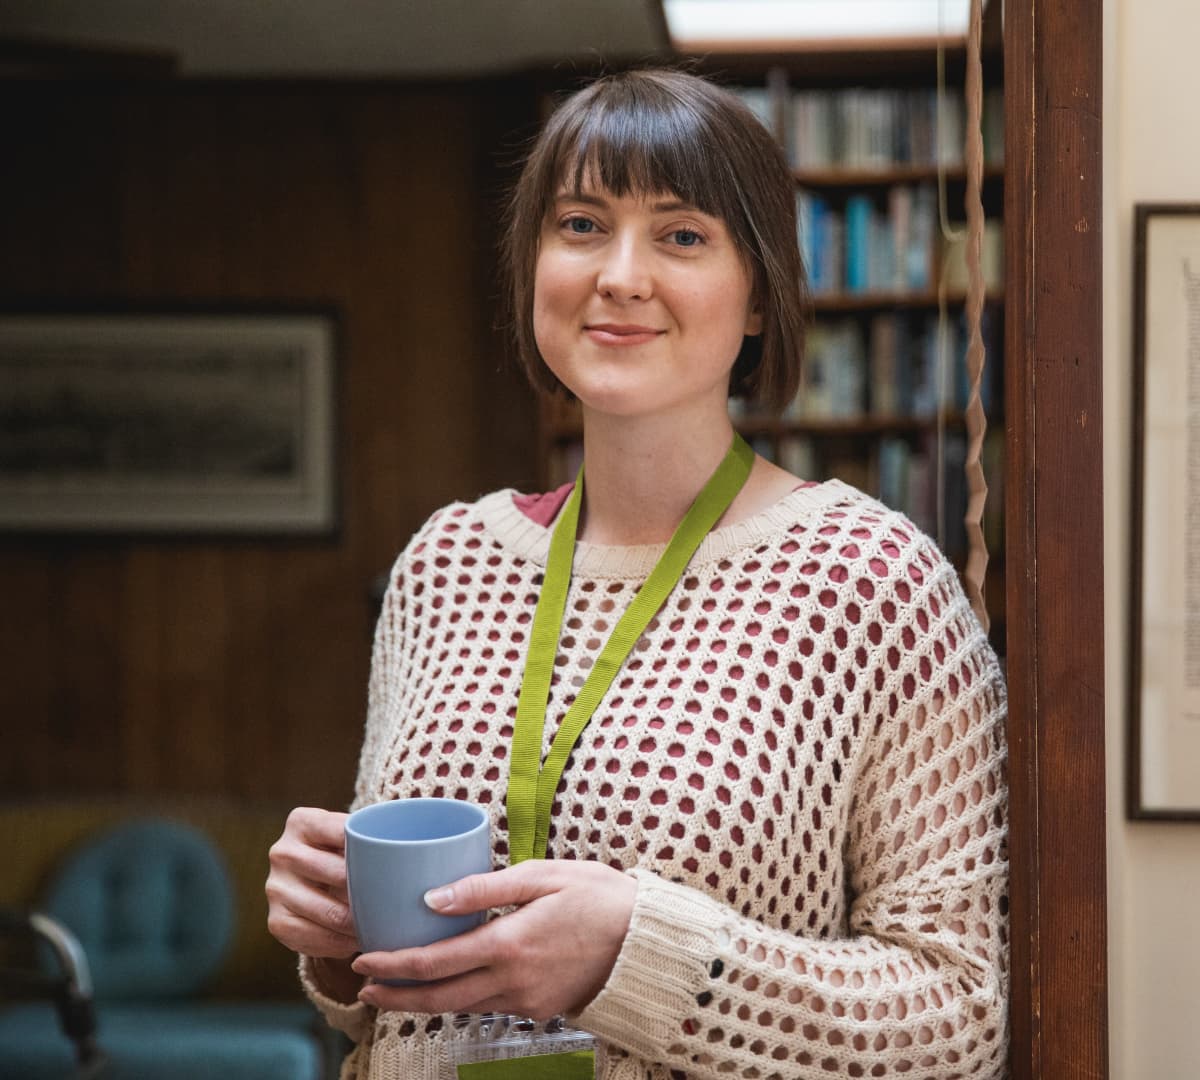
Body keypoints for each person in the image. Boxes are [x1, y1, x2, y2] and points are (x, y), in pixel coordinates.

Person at [265, 67, 1009, 1080]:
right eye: (580, 225)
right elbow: (384, 1011)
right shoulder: (443, 565)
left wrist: (640, 957)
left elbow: (959, 1017)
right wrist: (337, 943)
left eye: (682, 235)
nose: (619, 274)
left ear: (759, 297)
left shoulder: (870, 584)